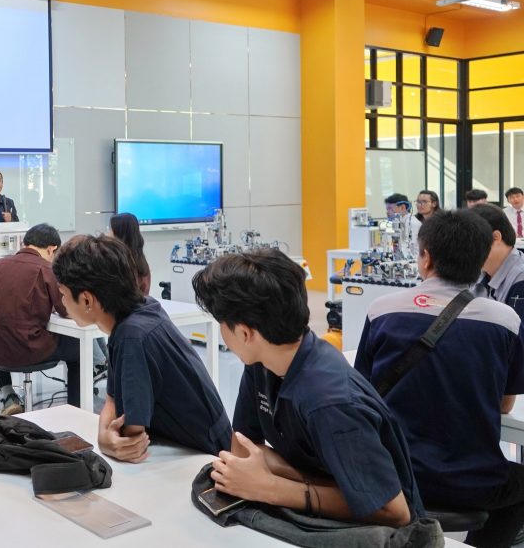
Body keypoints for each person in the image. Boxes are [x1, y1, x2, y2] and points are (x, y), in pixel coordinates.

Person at [193, 249, 422, 528]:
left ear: (244, 333)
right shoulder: (261, 363)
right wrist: (264, 475)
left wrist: (271, 487)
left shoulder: (330, 402)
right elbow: (243, 450)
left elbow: (395, 512)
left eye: (221, 324)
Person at [355, 209, 524, 546]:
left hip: (392, 476)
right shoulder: (504, 321)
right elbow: (505, 404)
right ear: (481, 260)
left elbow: (365, 394)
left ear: (426, 257)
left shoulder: (382, 310)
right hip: (473, 481)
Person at [52, 235, 230, 461]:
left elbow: (132, 440)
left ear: (87, 300)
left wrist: (109, 442)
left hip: (205, 455)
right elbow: (112, 400)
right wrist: (104, 435)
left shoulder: (132, 337)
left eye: (63, 294)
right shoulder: (141, 310)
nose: (63, 302)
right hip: (189, 445)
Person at [0, 224, 79, 415]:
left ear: (25, 243)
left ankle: (8, 395)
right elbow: (67, 311)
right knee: (78, 348)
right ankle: (75, 409)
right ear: (51, 249)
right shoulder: (48, 270)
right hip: (29, 348)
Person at [109, 212, 151, 296]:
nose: (108, 234)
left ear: (119, 234)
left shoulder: (118, 264)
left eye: (110, 229)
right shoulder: (141, 262)